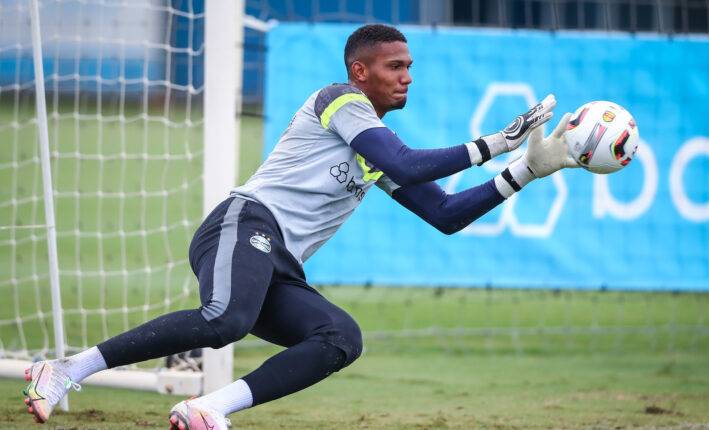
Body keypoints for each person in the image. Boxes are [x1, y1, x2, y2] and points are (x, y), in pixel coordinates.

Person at [21, 24, 578, 429]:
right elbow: (408, 164)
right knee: (225, 320)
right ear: (360, 71)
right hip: (244, 223)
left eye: (410, 67)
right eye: (395, 66)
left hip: (280, 264)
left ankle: (209, 408)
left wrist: (525, 169)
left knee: (341, 338)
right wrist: (492, 145)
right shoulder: (339, 100)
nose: (407, 77)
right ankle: (68, 368)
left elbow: (446, 215)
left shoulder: (375, 147)